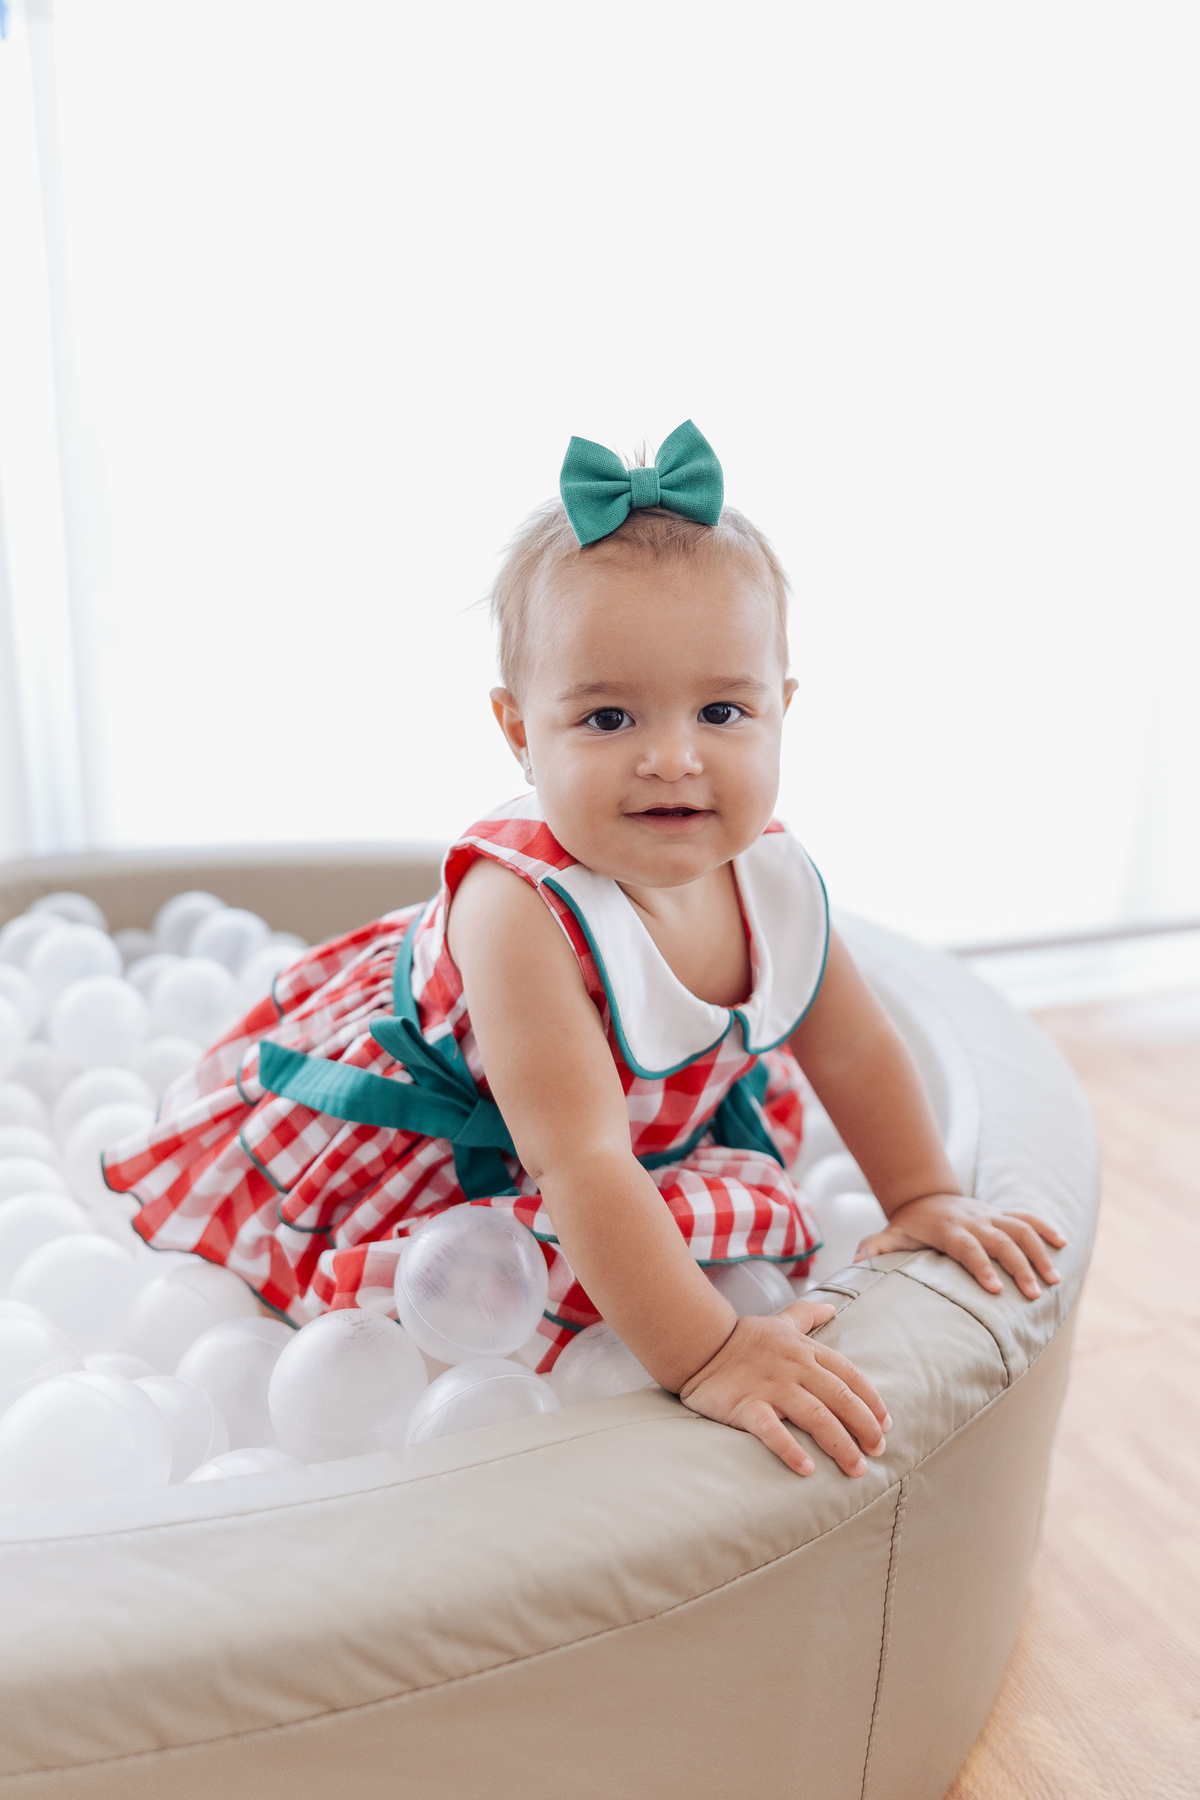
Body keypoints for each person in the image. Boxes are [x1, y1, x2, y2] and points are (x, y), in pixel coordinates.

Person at [104, 420, 1066, 1479]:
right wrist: (711, 1352)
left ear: (782, 712)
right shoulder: (520, 912)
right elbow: (581, 1161)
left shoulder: (775, 874)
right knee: (478, 1296)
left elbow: (851, 1047)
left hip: (621, 1135)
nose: (671, 757)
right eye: (608, 717)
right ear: (520, 730)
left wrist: (922, 1195)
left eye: (722, 710)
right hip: (477, 1138)